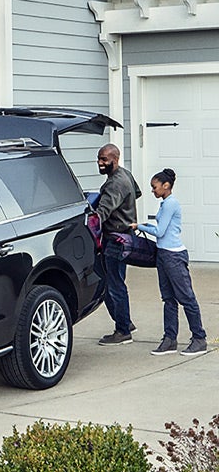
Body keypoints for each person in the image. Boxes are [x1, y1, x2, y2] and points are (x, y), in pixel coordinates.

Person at [131, 169, 208, 356]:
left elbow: (160, 232)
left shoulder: (171, 204)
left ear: (166, 186)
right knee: (168, 299)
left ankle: (199, 338)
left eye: (154, 187)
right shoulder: (165, 203)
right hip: (163, 254)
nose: (152, 190)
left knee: (186, 298)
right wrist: (144, 226)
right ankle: (170, 339)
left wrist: (139, 227)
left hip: (174, 256)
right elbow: (161, 229)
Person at [95, 143, 142, 345]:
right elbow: (136, 193)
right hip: (125, 235)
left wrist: (87, 224)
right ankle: (126, 323)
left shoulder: (115, 184)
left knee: (113, 286)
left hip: (116, 240)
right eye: (99, 159)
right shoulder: (126, 175)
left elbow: (101, 213)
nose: (100, 163)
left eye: (104, 159)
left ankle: (122, 331)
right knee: (114, 282)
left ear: (115, 159)